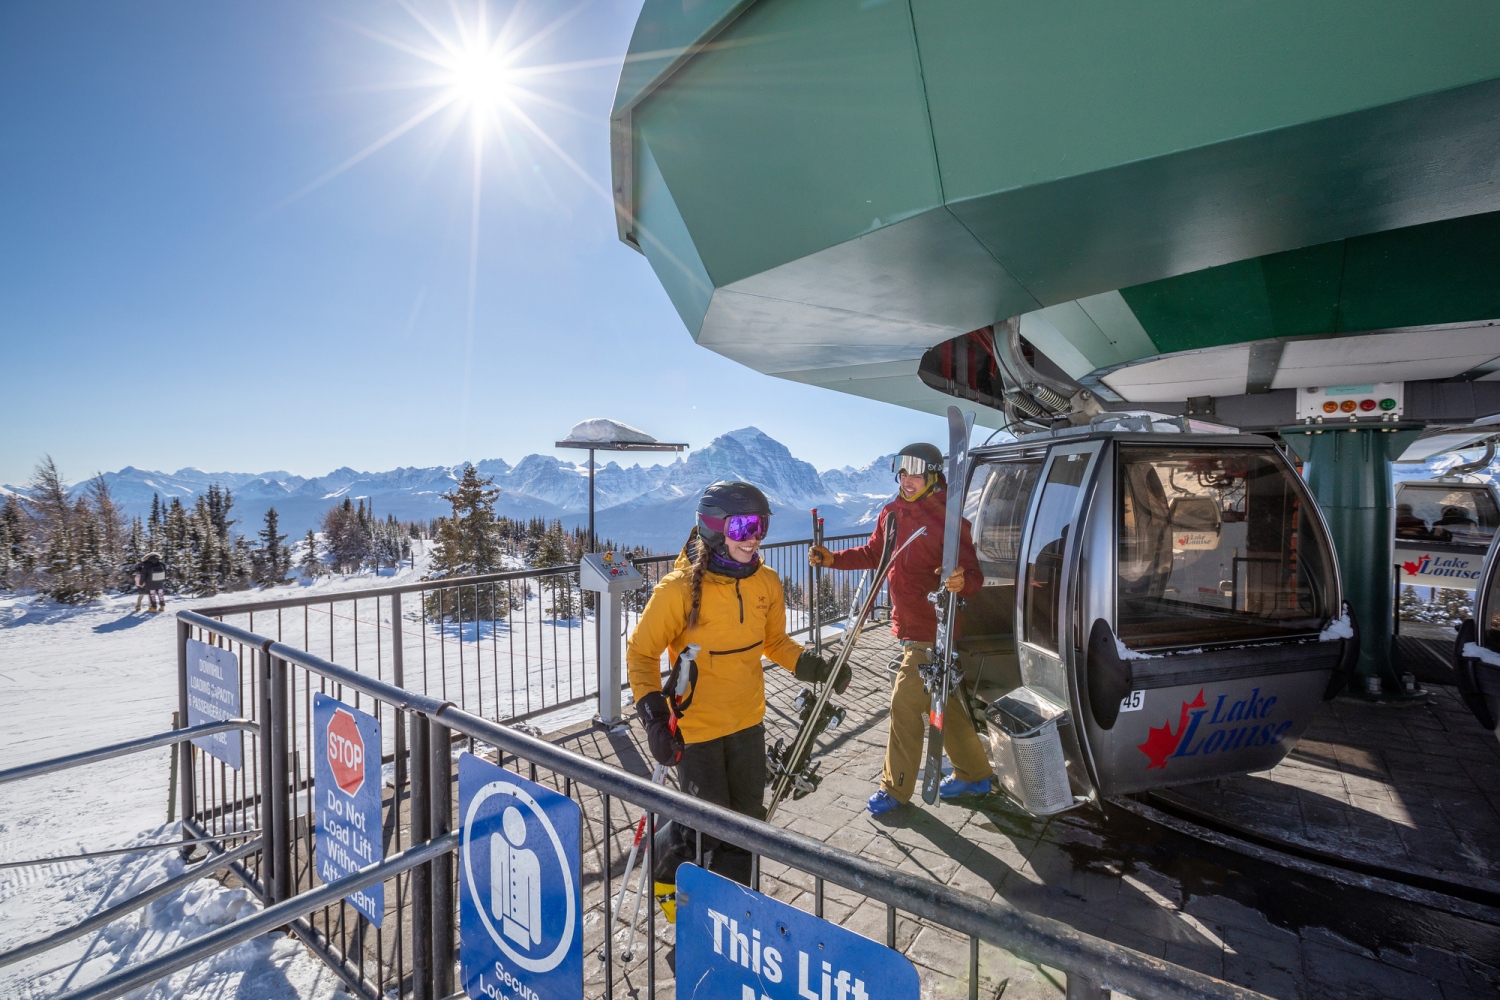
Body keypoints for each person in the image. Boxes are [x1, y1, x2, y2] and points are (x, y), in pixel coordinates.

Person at [626, 481, 843, 920]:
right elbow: (641, 654)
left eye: (760, 526)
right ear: (712, 528)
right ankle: (666, 864)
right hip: (697, 728)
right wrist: (653, 717)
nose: (754, 537)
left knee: (748, 825)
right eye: (743, 526)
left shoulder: (766, 582)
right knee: (707, 827)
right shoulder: (677, 590)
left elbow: (775, 642)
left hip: (747, 721)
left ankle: (729, 915)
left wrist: (814, 666)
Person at [809, 442, 993, 816]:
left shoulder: (949, 519)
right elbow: (875, 554)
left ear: (933, 475)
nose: (907, 480)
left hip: (934, 627)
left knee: (904, 704)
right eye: (902, 471)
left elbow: (973, 575)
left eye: (915, 472)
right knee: (945, 701)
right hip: (908, 624)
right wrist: (832, 559)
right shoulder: (891, 513)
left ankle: (896, 788)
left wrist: (961, 580)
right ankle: (974, 773)